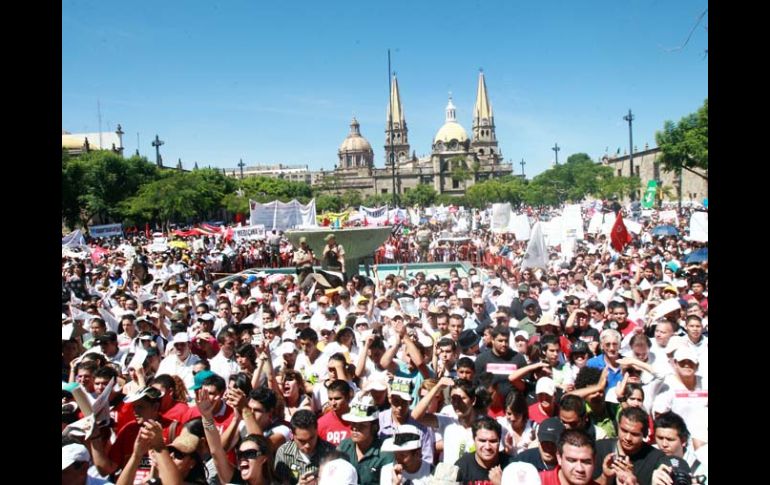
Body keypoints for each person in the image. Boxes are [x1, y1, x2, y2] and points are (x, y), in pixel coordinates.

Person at [592, 407, 689, 485]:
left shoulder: (656, 459)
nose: (628, 438)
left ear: (645, 434)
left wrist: (633, 481)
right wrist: (606, 477)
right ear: (618, 426)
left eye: (634, 434)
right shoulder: (600, 448)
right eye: (624, 431)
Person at [337, 395, 394, 485]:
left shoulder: (385, 453)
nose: (355, 429)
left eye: (362, 425)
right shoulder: (344, 446)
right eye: (353, 424)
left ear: (374, 428)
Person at [274, 409, 337, 485]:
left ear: (317, 431)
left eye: (311, 438)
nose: (307, 445)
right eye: (302, 441)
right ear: (292, 435)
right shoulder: (284, 453)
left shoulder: (332, 453)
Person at [455, 416, 513, 485]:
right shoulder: (462, 467)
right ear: (474, 440)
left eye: (493, 441)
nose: (487, 447)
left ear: (499, 441)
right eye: (482, 441)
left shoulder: (511, 466)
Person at [317, 380, 354, 446]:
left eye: (337, 398)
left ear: (348, 398)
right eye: (330, 399)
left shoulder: (358, 421)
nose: (333, 403)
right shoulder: (321, 423)